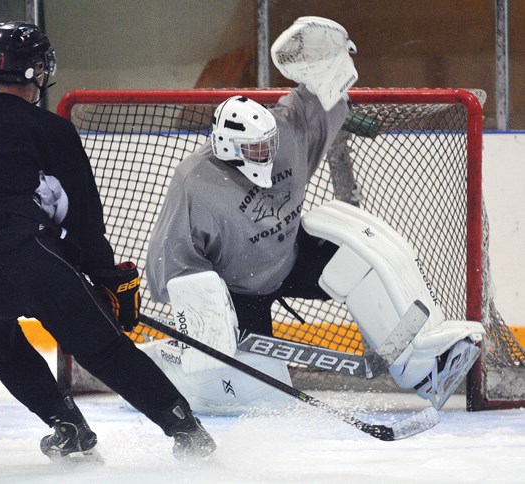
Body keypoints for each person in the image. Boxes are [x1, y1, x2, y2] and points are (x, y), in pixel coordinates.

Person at [145, 16, 485, 412]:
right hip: (239, 289)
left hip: (290, 258)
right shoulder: (194, 182)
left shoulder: (286, 131)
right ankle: (167, 364)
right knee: (254, 396)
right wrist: (206, 315)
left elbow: (321, 95)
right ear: (227, 147)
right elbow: (168, 265)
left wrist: (330, 61)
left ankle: (423, 367)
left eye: (268, 144)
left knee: (360, 263)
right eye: (256, 150)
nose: (268, 155)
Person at [0, 20, 215, 462]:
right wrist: (106, 278)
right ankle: (187, 431)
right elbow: (84, 220)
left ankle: (68, 426)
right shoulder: (50, 129)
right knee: (105, 348)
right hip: (35, 264)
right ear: (38, 69)